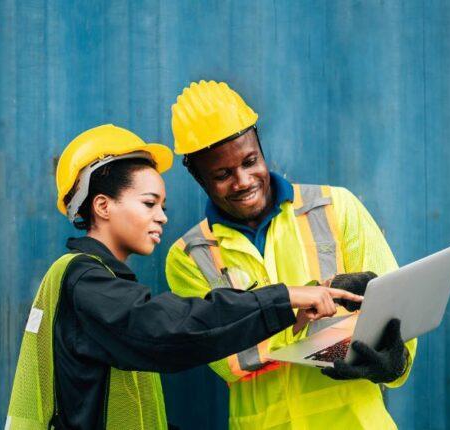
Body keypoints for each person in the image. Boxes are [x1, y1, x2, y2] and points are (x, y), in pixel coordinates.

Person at [5, 124, 364, 430]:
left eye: (163, 206)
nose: (161, 217)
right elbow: (171, 330)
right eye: (149, 203)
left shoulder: (100, 281)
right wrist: (284, 297)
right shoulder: (85, 280)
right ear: (103, 206)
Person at [165, 81, 417, 429]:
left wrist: (396, 360)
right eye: (222, 175)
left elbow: (397, 309)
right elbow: (230, 359)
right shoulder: (190, 256)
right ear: (199, 178)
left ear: (260, 148)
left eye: (250, 161)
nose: (243, 181)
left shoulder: (335, 207)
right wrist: (300, 306)